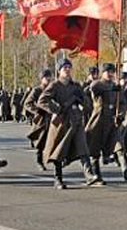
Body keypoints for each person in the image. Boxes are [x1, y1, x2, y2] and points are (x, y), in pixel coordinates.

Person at [37, 58, 103, 189]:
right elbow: (42, 101)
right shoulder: (55, 85)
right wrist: (57, 109)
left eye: (69, 67)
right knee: (59, 151)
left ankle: (89, 175)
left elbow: (86, 103)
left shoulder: (76, 86)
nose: (67, 70)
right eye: (64, 68)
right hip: (61, 122)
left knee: (83, 147)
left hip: (76, 120)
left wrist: (82, 100)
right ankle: (58, 179)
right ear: (59, 70)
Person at [85, 63, 125, 182]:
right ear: (103, 72)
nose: (110, 74)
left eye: (112, 71)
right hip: (99, 118)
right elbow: (94, 88)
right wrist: (111, 88)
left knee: (113, 142)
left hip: (112, 119)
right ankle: (96, 174)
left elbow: (122, 102)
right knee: (95, 147)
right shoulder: (98, 83)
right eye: (108, 71)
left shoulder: (115, 86)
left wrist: (121, 114)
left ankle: (109, 157)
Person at [24, 69, 53, 172]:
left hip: (53, 119)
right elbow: (27, 103)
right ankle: (39, 161)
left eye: (49, 77)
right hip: (42, 119)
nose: (48, 79)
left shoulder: (53, 89)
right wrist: (37, 111)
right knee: (41, 142)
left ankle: (55, 160)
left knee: (55, 139)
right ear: (41, 79)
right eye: (46, 77)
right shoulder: (37, 90)